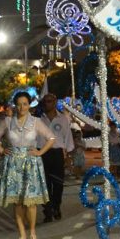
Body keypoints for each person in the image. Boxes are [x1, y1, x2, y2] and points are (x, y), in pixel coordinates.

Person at [0, 91, 56, 239]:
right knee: (17, 203)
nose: (21, 107)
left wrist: (40, 152)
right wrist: (0, 149)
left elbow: (52, 138)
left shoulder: (36, 121)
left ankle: (32, 233)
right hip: (12, 165)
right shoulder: (7, 122)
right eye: (19, 104)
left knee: (30, 203)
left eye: (25, 104)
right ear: (15, 105)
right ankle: (21, 235)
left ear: (29, 105)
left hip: (30, 165)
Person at [38, 93, 74, 223]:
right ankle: (47, 210)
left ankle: (56, 206)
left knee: (58, 183)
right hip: (42, 154)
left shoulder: (63, 119)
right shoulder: (39, 119)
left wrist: (69, 157)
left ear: (54, 102)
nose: (47, 103)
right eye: (45, 101)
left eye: (50, 101)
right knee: (44, 184)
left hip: (57, 153)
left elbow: (68, 138)